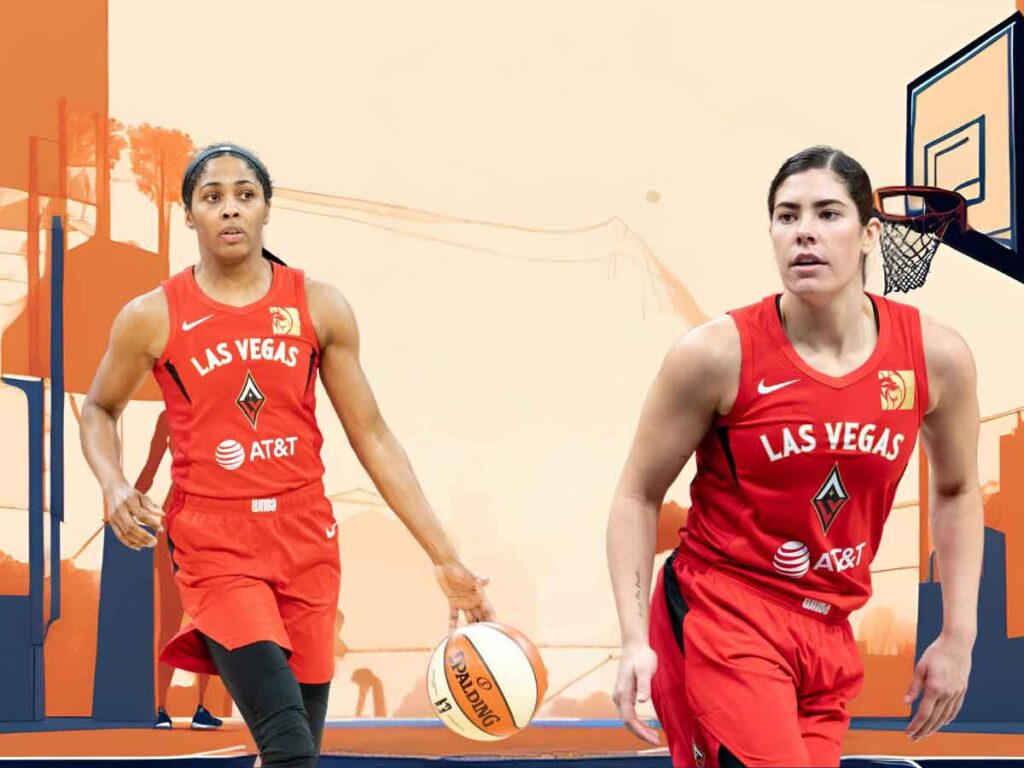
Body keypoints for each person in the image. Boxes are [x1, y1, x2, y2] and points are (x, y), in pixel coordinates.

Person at [80, 143, 493, 767]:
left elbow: (373, 434)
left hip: (306, 537)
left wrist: (445, 558)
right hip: (215, 543)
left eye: (245, 195)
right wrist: (113, 484)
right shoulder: (153, 316)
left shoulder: (318, 306)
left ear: (267, 208)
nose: (230, 210)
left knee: (294, 750)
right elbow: (99, 409)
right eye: (211, 197)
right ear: (187, 214)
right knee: (291, 750)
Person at [606, 146, 983, 768]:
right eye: (787, 216)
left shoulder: (934, 356)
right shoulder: (715, 355)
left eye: (828, 213)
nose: (803, 230)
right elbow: (637, 495)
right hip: (722, 613)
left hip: (829, 631)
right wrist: (632, 639)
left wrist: (958, 635)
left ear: (869, 235)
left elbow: (958, 492)